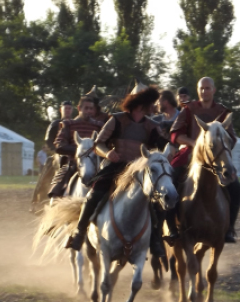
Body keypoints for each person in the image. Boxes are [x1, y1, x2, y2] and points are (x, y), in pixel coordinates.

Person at [64, 87, 168, 256]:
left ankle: (156, 239)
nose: (153, 106)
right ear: (140, 105)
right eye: (150, 103)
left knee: (159, 200)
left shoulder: (152, 126)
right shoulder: (117, 120)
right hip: (115, 167)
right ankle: (80, 232)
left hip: (140, 170)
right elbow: (98, 144)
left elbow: (163, 146)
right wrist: (108, 153)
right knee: (94, 195)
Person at [166, 77, 240, 244]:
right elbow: (175, 135)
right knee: (169, 183)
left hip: (216, 157)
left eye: (207, 88)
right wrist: (195, 143)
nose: (204, 91)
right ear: (198, 90)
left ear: (213, 90)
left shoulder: (223, 112)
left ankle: (228, 229)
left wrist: (221, 145)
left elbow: (232, 137)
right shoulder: (188, 110)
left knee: (236, 187)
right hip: (189, 155)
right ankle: (172, 229)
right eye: (201, 88)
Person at [48, 96, 104, 198]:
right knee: (57, 190)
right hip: (73, 162)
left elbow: (106, 144)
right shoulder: (68, 124)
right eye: (86, 108)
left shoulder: (99, 126)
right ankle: (55, 207)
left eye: (91, 108)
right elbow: (59, 145)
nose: (89, 111)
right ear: (79, 108)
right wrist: (80, 151)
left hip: (96, 163)